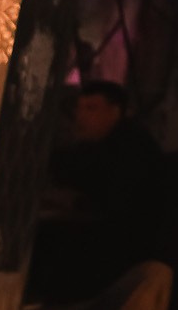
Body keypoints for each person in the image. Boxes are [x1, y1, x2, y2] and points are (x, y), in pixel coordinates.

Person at [46, 78, 165, 293]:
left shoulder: (132, 147)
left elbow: (119, 205)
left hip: (122, 250)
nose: (80, 116)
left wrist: (75, 201)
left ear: (115, 112)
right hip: (104, 240)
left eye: (91, 108)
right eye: (79, 108)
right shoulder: (95, 145)